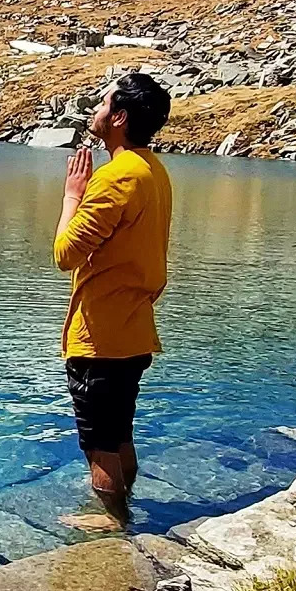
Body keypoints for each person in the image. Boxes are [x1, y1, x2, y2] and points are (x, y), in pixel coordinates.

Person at [51, 72, 173, 532]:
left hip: (101, 335)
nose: (95, 110)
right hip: (135, 329)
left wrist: (72, 196)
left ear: (119, 117)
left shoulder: (116, 177)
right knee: (120, 431)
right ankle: (128, 506)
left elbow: (65, 254)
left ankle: (112, 521)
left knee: (99, 440)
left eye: (103, 104)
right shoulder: (153, 169)